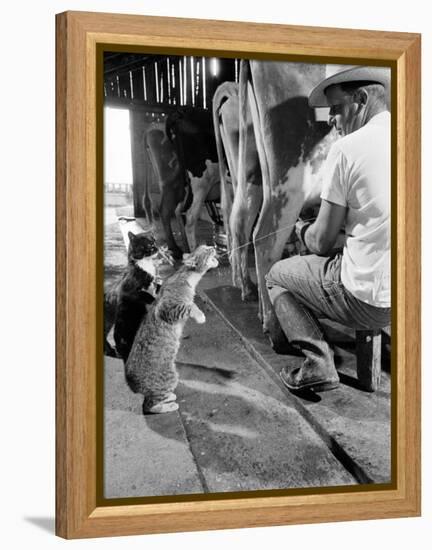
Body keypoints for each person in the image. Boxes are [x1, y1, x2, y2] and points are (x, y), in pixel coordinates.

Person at [265, 66, 391, 392]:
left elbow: (321, 243)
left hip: (368, 301)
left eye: (336, 108)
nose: (331, 120)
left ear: (361, 99)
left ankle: (316, 361)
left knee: (277, 275)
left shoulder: (347, 149)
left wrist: (302, 231)